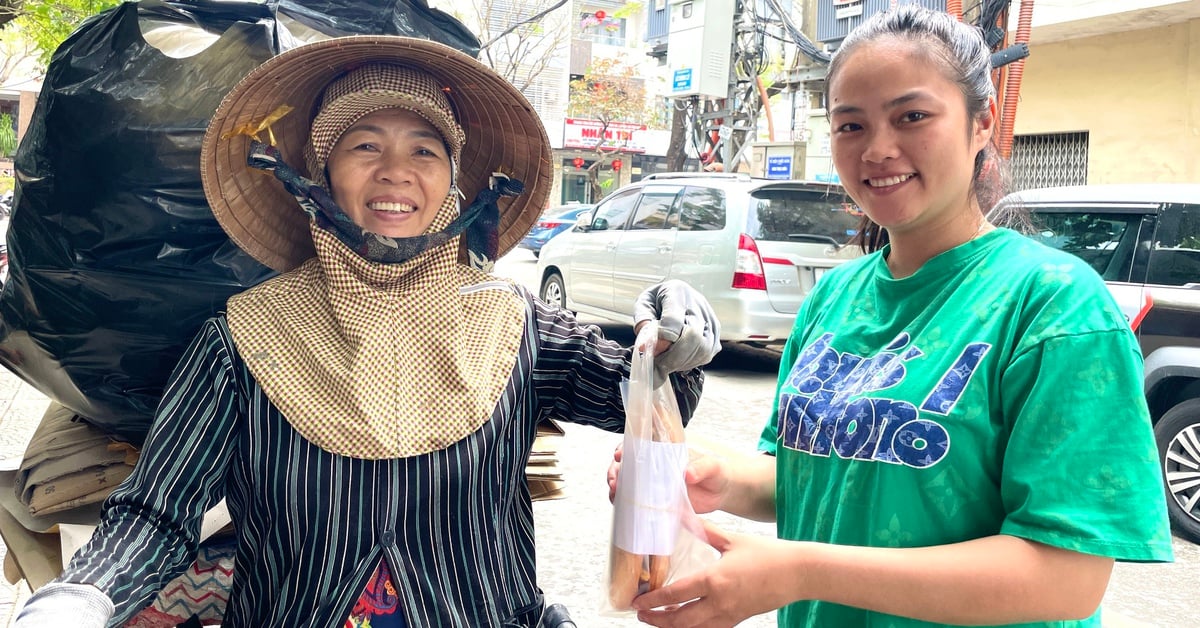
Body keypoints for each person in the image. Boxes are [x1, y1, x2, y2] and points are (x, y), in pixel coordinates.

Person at [15, 36, 720, 627]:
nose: (395, 173)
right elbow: (156, 512)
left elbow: (653, 397)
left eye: (425, 151)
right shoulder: (244, 339)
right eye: (363, 145)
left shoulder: (513, 323)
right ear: (320, 170)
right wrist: (84, 594)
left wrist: (673, 336)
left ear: (453, 182)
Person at [618, 6, 1174, 627]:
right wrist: (720, 479)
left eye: (912, 116)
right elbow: (815, 476)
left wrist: (799, 571)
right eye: (850, 125)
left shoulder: (1054, 305)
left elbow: (1067, 578)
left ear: (982, 121)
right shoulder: (835, 296)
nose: (878, 149)